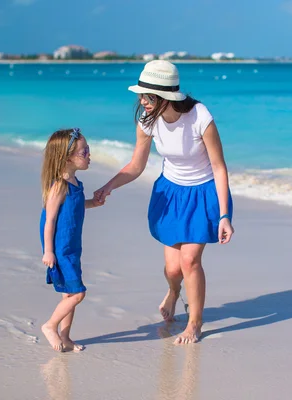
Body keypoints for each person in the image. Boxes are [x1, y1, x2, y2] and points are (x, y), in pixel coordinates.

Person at [93, 60, 234, 345]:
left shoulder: (199, 116)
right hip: (170, 194)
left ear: (165, 96)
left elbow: (219, 167)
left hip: (203, 192)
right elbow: (136, 165)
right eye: (141, 95)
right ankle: (173, 292)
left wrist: (224, 215)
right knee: (173, 270)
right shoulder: (147, 120)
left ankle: (195, 322)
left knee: (190, 260)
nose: (142, 101)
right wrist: (108, 186)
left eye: (148, 96)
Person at [40, 128, 102, 352]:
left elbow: (74, 208)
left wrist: (91, 204)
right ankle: (50, 326)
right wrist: (48, 251)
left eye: (88, 150)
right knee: (78, 293)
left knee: (69, 292)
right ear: (67, 158)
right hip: (60, 247)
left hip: (73, 245)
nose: (89, 155)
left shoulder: (75, 183)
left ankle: (65, 337)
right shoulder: (59, 186)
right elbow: (49, 220)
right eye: (84, 151)